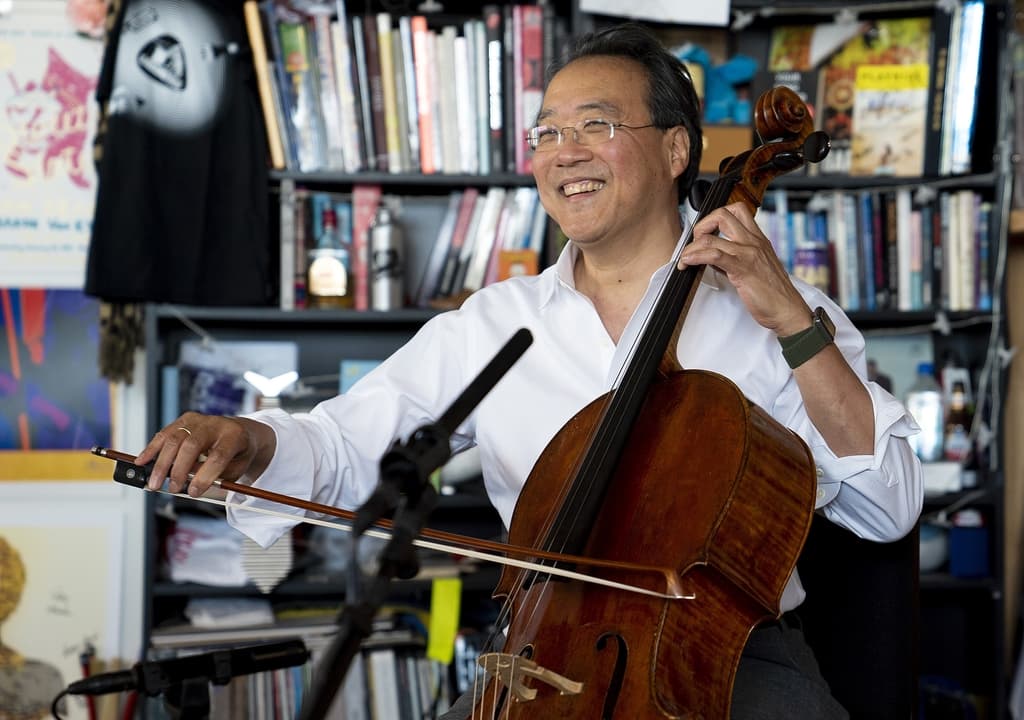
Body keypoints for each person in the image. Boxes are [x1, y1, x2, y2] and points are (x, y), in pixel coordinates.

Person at [134, 23, 923, 719]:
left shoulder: (782, 311)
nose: (563, 153)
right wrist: (248, 441)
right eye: (546, 134)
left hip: (732, 657)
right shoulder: (494, 323)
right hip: (544, 652)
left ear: (677, 149)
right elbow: (348, 446)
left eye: (597, 125)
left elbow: (887, 508)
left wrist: (788, 318)